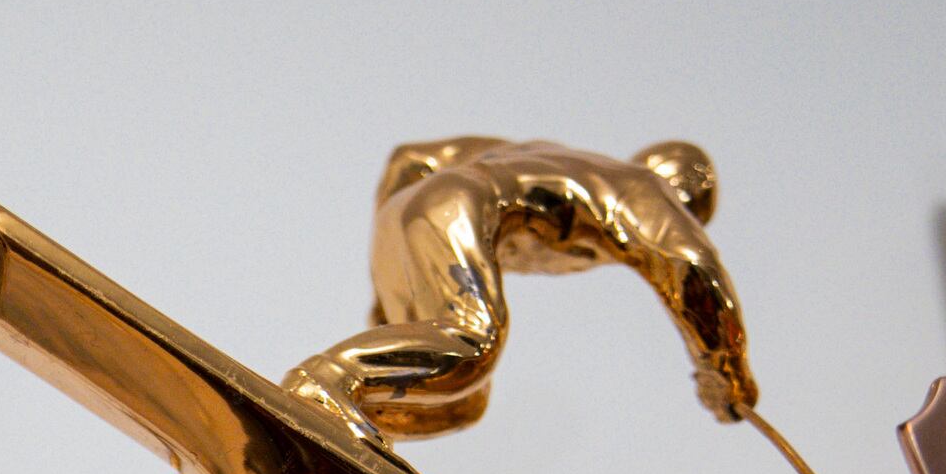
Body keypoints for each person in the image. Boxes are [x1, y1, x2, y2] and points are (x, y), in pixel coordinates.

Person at [283, 138, 756, 447]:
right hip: (464, 207)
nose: (684, 221)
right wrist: (725, 371)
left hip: (410, 205)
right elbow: (692, 268)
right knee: (474, 340)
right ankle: (325, 383)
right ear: (685, 191)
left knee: (463, 401)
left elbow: (409, 159)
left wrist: (389, 285)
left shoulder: (552, 157)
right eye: (691, 214)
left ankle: (352, 418)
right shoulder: (645, 190)